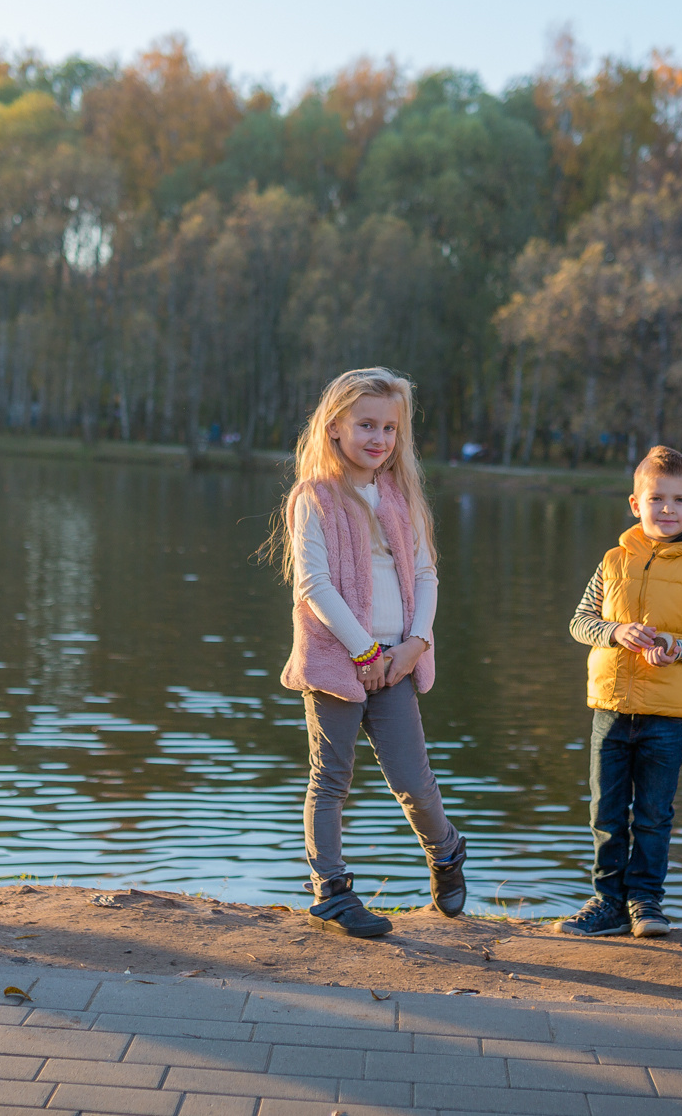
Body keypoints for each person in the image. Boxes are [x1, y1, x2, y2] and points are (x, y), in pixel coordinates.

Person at [266, 367, 465, 938]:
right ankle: (331, 890)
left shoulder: (401, 498)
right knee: (330, 777)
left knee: (414, 782)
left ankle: (447, 852)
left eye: (389, 429)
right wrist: (364, 649)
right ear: (334, 427)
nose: (378, 438)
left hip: (398, 659)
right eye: (365, 425)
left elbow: (425, 573)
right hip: (338, 659)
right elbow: (313, 584)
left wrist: (416, 643)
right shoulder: (315, 497)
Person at [558, 446, 682, 939]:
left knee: (653, 814)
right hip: (610, 708)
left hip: (667, 715)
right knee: (606, 811)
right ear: (636, 504)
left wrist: (675, 646)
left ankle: (646, 903)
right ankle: (607, 901)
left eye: (679, 500)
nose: (667, 509)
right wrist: (615, 632)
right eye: (657, 499)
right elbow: (579, 623)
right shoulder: (612, 562)